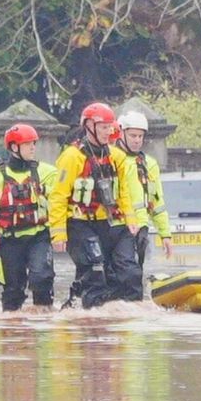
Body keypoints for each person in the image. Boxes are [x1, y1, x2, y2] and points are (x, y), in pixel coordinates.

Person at [49, 102, 142, 309]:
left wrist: (131, 218)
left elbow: (123, 192)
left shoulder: (117, 157)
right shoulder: (72, 157)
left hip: (111, 222)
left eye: (110, 127)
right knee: (94, 268)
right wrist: (58, 233)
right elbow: (58, 196)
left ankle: (130, 313)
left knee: (129, 271)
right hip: (81, 223)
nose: (108, 132)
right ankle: (90, 315)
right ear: (89, 126)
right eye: (103, 127)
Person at [0, 123, 60, 312]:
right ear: (14, 147)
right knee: (13, 289)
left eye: (34, 143)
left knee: (42, 278)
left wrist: (44, 190)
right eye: (28, 144)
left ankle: (45, 317)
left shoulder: (46, 171)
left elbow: (61, 194)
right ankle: (12, 324)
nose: (33, 147)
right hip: (10, 239)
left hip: (39, 236)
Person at [116, 110, 173, 268]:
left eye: (140, 136)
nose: (137, 140)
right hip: (117, 226)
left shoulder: (149, 164)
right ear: (121, 133)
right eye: (133, 136)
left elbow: (156, 201)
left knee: (135, 273)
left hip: (140, 228)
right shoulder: (113, 160)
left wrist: (165, 234)